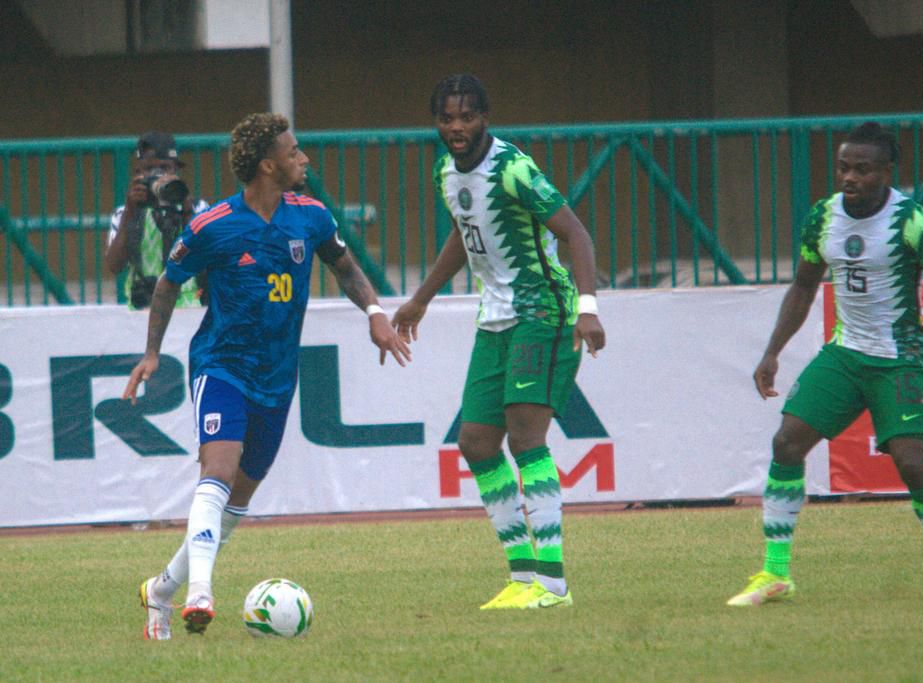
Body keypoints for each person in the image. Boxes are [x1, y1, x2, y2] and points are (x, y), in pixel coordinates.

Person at [124, 113, 412, 639]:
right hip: (222, 366)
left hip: (277, 379)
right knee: (217, 469)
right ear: (268, 165)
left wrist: (374, 315)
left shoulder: (311, 217)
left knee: (237, 501)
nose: (304, 159)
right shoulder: (213, 227)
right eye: (295, 151)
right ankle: (200, 595)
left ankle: (161, 590)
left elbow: (345, 267)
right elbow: (167, 284)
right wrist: (152, 353)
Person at [727, 122, 923, 606]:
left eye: (862, 169)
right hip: (844, 354)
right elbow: (803, 285)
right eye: (843, 167)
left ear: (885, 172)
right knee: (786, 441)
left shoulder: (911, 219)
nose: (850, 177)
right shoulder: (822, 216)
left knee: (911, 464)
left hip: (898, 361)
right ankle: (775, 573)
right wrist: (773, 350)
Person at [391, 74, 606, 610]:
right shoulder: (446, 171)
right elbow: (465, 237)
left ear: (485, 117)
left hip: (542, 311)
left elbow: (574, 232)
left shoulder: (513, 168)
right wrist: (420, 298)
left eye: (466, 116)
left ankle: (553, 584)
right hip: (496, 319)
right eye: (447, 118)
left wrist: (587, 306)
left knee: (525, 439)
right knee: (475, 442)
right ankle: (522, 575)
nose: (456, 127)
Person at [106, 131, 208, 309]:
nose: (158, 175)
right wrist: (130, 212)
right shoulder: (124, 213)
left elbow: (206, 258)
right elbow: (114, 265)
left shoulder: (198, 208)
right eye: (149, 169)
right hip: (140, 308)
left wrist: (186, 212)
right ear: (138, 173)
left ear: (176, 170)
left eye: (165, 168)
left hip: (187, 306)